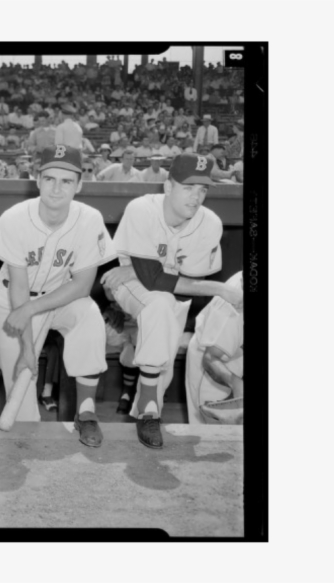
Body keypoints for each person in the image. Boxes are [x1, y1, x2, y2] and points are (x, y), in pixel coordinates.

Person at [101, 153, 243, 449]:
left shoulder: (209, 223)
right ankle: (151, 411)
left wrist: (142, 266)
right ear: (168, 187)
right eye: (188, 187)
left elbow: (180, 284)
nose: (196, 196)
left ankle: (139, 376)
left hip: (163, 290)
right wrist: (221, 289)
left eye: (202, 189)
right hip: (128, 289)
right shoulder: (142, 209)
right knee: (160, 304)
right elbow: (156, 282)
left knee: (160, 369)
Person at [0, 145, 116, 447]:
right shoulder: (14, 218)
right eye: (50, 179)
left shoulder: (90, 218)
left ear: (79, 184)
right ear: (37, 179)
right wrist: (28, 348)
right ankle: (22, 452)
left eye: (67, 181)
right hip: (13, 300)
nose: (57, 188)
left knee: (88, 314)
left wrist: (33, 309)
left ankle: (86, 413)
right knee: (21, 392)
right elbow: (19, 289)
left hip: (59, 297)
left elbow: (83, 285)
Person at [185, 271, 244, 425]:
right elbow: (210, 358)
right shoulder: (233, 307)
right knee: (209, 433)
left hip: (236, 353)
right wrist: (237, 385)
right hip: (212, 362)